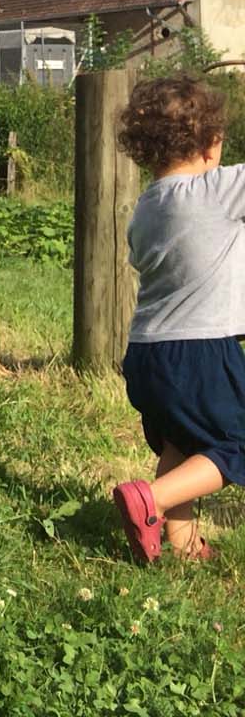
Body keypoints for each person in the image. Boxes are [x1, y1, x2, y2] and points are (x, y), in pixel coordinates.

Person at [111, 75, 245, 563]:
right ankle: (153, 500)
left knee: (185, 442)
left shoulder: (146, 207)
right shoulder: (220, 189)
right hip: (199, 350)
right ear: (211, 144)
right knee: (239, 443)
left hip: (147, 353)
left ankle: (183, 546)